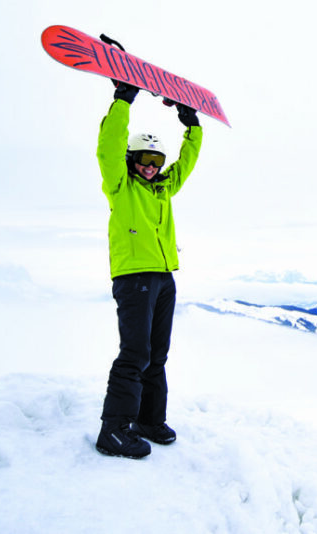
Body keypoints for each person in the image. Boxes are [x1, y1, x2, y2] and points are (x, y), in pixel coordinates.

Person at [94, 79, 202, 459]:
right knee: (135, 353)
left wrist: (193, 127)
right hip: (133, 277)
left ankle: (148, 420)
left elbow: (185, 165)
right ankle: (114, 431)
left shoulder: (162, 190)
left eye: (157, 161)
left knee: (158, 354)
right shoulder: (120, 186)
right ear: (132, 159)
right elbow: (107, 148)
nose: (152, 167)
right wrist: (124, 99)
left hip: (163, 277)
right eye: (145, 159)